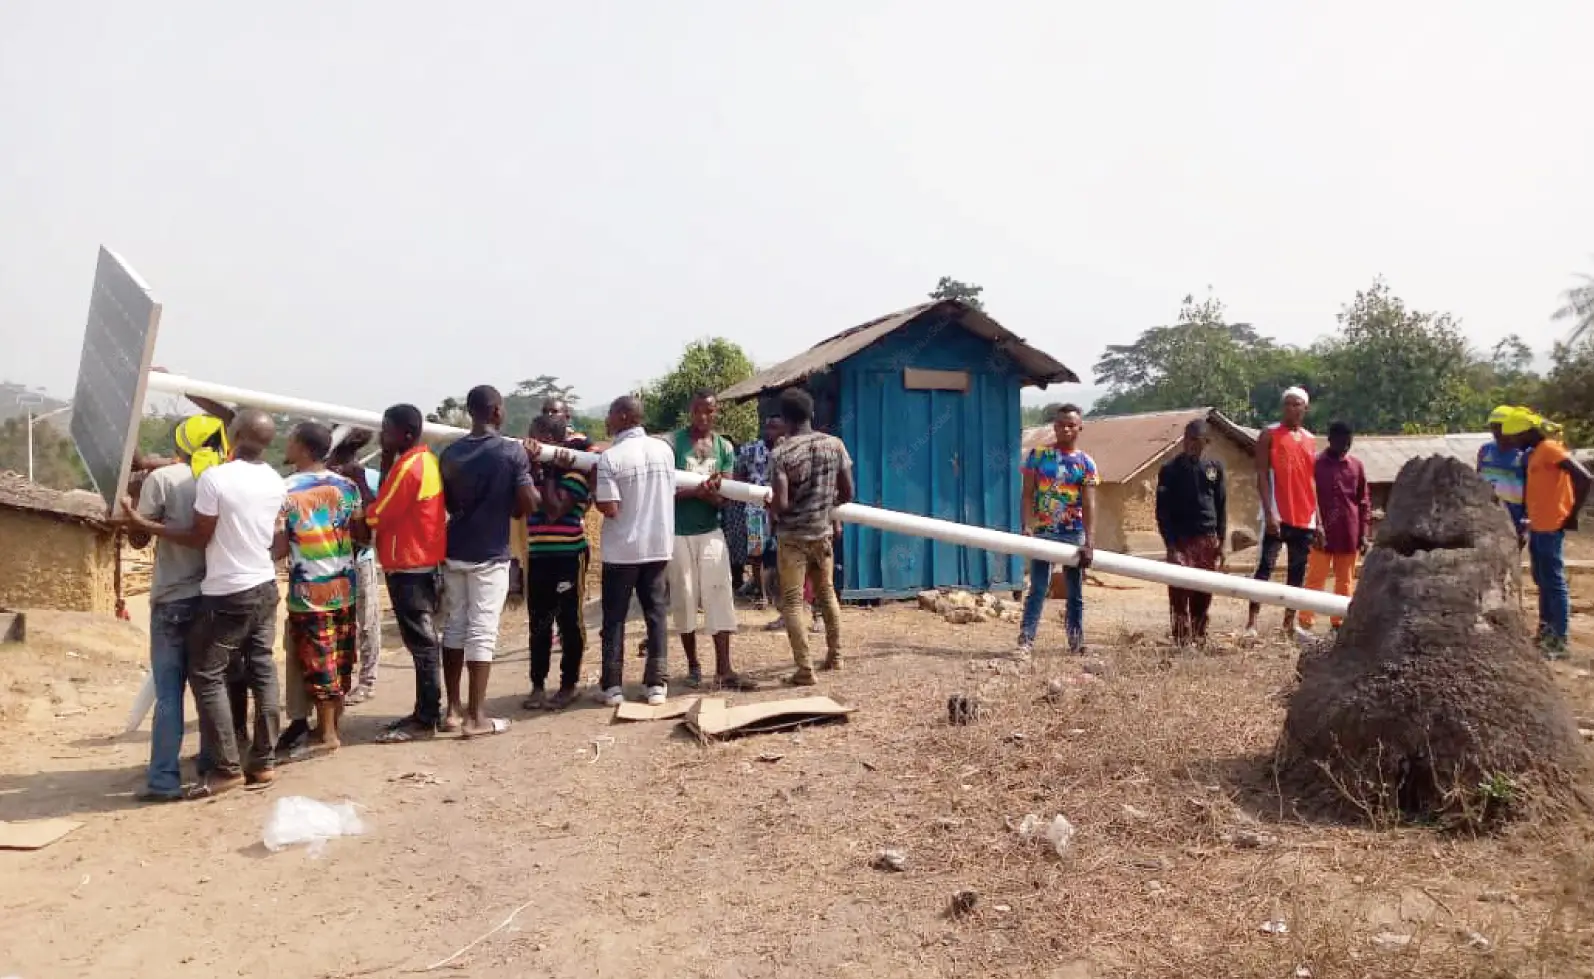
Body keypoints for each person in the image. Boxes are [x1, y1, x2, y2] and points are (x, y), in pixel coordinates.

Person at [121, 409, 286, 798]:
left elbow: (166, 539)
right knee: (250, 673)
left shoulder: (185, 479)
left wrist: (137, 518)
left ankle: (172, 777)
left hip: (194, 595)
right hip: (250, 589)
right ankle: (247, 761)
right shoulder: (272, 479)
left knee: (179, 687)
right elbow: (277, 540)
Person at [437, 385, 539, 737]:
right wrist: (529, 473)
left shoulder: (449, 454)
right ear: (496, 411)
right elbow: (528, 502)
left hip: (456, 549)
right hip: (490, 553)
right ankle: (476, 717)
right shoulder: (511, 453)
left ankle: (452, 710)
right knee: (482, 631)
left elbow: (449, 505)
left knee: (454, 627)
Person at [125, 416, 216, 801]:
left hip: (171, 598)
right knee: (211, 688)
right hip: (213, 597)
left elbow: (138, 539)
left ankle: (163, 779)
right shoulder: (221, 478)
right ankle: (214, 765)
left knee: (168, 693)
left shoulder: (162, 481)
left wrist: (131, 504)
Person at [272, 423, 365, 753]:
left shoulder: (285, 490)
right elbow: (360, 534)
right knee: (340, 656)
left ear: (302, 447)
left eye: (291, 440)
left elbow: (281, 548)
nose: (286, 444)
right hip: (344, 583)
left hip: (310, 588)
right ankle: (332, 725)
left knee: (318, 660)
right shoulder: (348, 486)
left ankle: (326, 735)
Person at [368, 404, 448, 744]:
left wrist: (361, 512)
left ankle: (426, 716)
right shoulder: (424, 460)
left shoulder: (410, 466)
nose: (382, 437)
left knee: (423, 645)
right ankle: (424, 711)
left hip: (410, 563)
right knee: (424, 643)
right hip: (420, 560)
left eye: (386, 431)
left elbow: (381, 514)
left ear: (405, 433)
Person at [667, 391, 756, 691]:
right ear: (689, 411)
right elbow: (666, 490)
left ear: (716, 413)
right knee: (685, 596)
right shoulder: (673, 444)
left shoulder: (724, 447)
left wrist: (713, 495)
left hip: (710, 531)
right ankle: (693, 666)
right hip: (679, 533)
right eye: (698, 411)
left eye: (709, 411)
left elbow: (725, 497)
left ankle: (724, 668)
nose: (703, 417)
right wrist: (697, 492)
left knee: (719, 594)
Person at [594, 395, 676, 706]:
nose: (608, 420)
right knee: (656, 615)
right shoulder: (664, 451)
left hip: (622, 550)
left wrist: (594, 488)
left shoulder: (611, 458)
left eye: (612, 414)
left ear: (625, 417)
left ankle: (612, 686)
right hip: (658, 546)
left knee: (614, 619)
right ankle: (656, 684)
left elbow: (611, 508)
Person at [770, 388, 853, 685]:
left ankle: (805, 669)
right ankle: (836, 655)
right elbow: (848, 492)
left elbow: (779, 503)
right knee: (827, 593)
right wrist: (824, 504)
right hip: (822, 532)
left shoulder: (782, 453)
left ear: (785, 419)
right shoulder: (835, 445)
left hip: (793, 536)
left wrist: (770, 505)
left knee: (793, 602)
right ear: (811, 413)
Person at [1506, 410, 1593, 658]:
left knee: (1554, 582)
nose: (1513, 443)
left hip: (1552, 525)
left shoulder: (1550, 449)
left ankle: (1559, 640)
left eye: (1515, 438)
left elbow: (1584, 477)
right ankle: (1546, 633)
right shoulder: (1535, 453)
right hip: (1538, 525)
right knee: (1542, 580)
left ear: (1525, 433)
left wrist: (1571, 514)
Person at [521, 414, 591, 711]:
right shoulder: (530, 472)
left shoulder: (574, 473)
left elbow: (552, 511)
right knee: (539, 624)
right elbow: (520, 508)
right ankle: (537, 685)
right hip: (538, 556)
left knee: (569, 623)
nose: (533, 444)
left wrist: (549, 472)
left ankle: (568, 684)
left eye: (540, 439)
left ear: (555, 442)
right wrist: (532, 472)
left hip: (567, 556)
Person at [1017, 404, 1097, 656]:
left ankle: (1076, 642)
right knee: (1038, 588)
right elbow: (1027, 494)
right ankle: (1026, 641)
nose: (1066, 429)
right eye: (1061, 424)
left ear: (1080, 428)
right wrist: (1027, 526)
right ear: (1054, 426)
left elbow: (1089, 503)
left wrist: (1089, 541)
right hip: (1043, 530)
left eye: (1071, 425)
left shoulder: (1086, 463)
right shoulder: (1038, 456)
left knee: (1075, 591)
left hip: (1074, 533)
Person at [1244, 387, 1318, 640]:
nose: (1291, 408)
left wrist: (1316, 518)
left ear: (1305, 408)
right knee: (1264, 567)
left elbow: (1311, 481)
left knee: (1297, 571)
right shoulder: (1270, 434)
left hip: (1304, 516)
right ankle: (1251, 623)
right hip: (1277, 513)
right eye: (1287, 404)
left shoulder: (1310, 439)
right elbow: (1262, 475)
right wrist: (1269, 511)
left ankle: (1289, 624)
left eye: (1296, 404)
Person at [1154, 419, 1226, 648]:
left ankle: (1199, 637)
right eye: (1188, 439)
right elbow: (1162, 512)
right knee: (1178, 593)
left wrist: (1221, 541)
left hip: (1207, 539)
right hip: (1181, 540)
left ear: (1207, 442)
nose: (1191, 445)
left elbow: (1221, 504)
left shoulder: (1214, 468)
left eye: (1197, 440)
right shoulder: (1170, 470)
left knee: (1203, 593)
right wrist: (1171, 546)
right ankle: (1181, 642)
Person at [1297, 421, 1370, 635]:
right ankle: (1306, 622)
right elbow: (1307, 498)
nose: (1346, 446)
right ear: (1330, 440)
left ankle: (1339, 623)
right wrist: (1314, 526)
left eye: (1349, 443)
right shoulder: (1315, 465)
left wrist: (1364, 534)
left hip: (1350, 533)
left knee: (1345, 581)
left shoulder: (1356, 466)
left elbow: (1364, 501)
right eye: (1342, 442)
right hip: (1321, 534)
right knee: (1315, 578)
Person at [328, 428, 383, 704]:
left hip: (360, 559)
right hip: (330, 562)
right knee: (341, 624)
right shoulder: (323, 481)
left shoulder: (369, 478)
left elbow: (376, 518)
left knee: (367, 622)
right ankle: (342, 679)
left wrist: (359, 481)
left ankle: (367, 680)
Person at [736, 415, 786, 613]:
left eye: (777, 428)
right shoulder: (751, 449)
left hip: (780, 508)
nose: (772, 432)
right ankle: (761, 594)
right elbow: (738, 472)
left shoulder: (787, 450)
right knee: (756, 553)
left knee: (781, 552)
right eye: (770, 427)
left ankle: (780, 595)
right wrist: (746, 492)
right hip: (756, 509)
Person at [1478, 405, 1529, 545]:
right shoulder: (1485, 450)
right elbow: (1477, 479)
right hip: (1489, 512)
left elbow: (1531, 488)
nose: (1496, 431)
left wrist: (1525, 522)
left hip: (1515, 515)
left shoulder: (1524, 454)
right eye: (1493, 427)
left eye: (1499, 427)